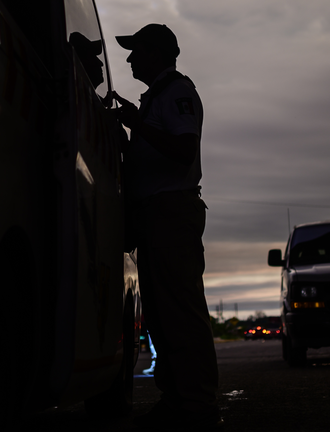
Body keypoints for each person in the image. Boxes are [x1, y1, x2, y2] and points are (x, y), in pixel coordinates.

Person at [112, 24, 222, 430]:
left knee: (180, 312)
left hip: (171, 213)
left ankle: (196, 405)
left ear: (155, 54)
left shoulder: (176, 93)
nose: (128, 59)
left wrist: (135, 123)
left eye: (135, 51)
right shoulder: (160, 96)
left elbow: (182, 149)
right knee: (162, 314)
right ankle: (179, 400)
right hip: (158, 216)